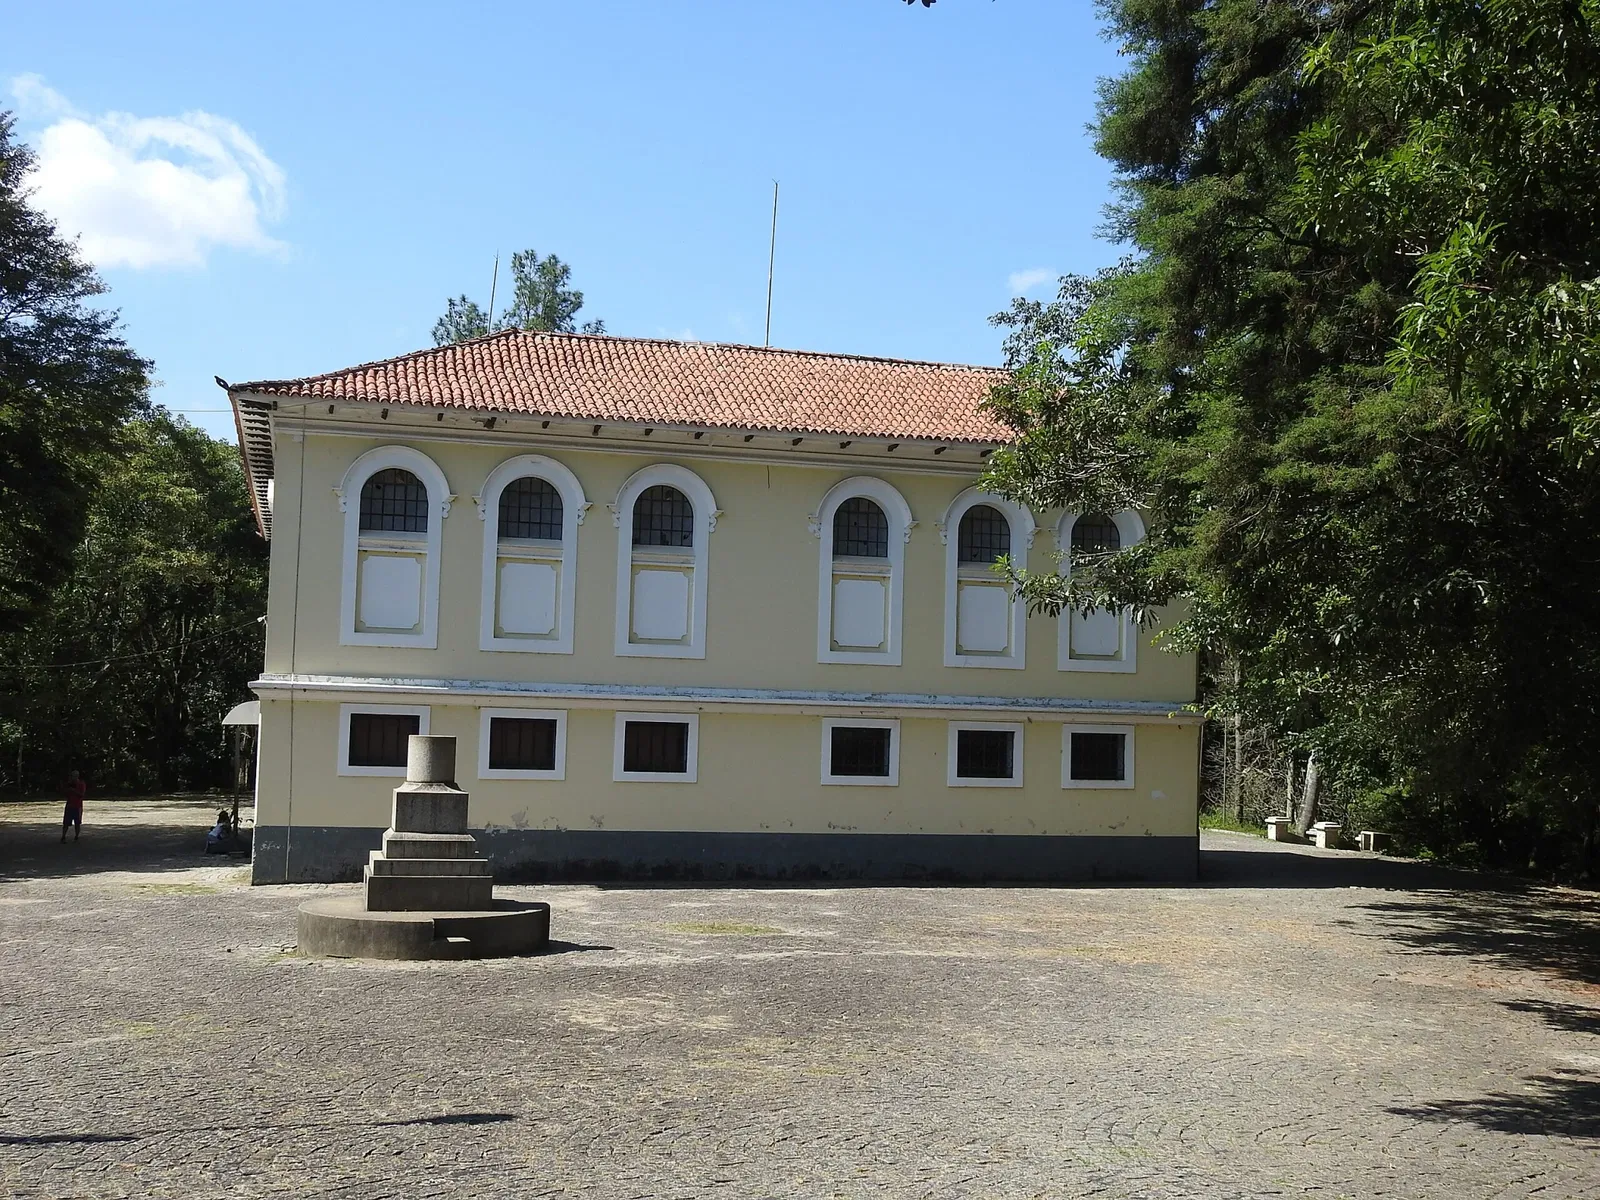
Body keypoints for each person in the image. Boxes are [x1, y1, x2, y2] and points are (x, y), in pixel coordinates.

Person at [61, 769, 85, 843]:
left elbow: (82, 794)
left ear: (77, 776)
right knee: (66, 823)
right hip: (69, 805)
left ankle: (76, 836)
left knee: (77, 823)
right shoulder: (69, 784)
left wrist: (73, 791)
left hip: (77, 806)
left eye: (74, 776)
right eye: (72, 776)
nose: (72, 777)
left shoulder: (81, 784)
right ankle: (63, 836)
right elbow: (64, 793)